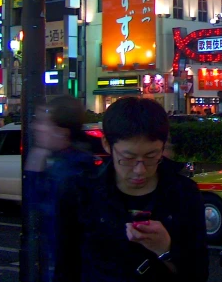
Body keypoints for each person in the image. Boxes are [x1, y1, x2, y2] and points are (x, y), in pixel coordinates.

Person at [55, 96, 208, 282]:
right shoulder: (81, 191)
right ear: (106, 145)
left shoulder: (183, 193)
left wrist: (166, 249)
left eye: (151, 156)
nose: (140, 170)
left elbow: (199, 273)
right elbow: (66, 266)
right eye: (127, 158)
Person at [25, 95, 96, 282]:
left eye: (43, 122)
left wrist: (34, 171)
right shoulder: (61, 163)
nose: (36, 127)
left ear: (61, 132)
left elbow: (45, 215)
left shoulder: (71, 172)